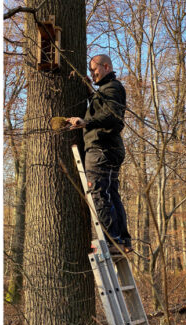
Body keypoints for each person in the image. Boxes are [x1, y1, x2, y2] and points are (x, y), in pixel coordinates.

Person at [67, 54, 132, 253]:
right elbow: (103, 107)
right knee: (111, 193)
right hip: (109, 149)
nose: (93, 74)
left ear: (105, 66)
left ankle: (113, 240)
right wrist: (90, 91)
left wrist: (86, 122)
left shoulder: (112, 88)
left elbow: (112, 116)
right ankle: (123, 240)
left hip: (101, 148)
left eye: (95, 70)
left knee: (98, 193)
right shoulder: (107, 89)